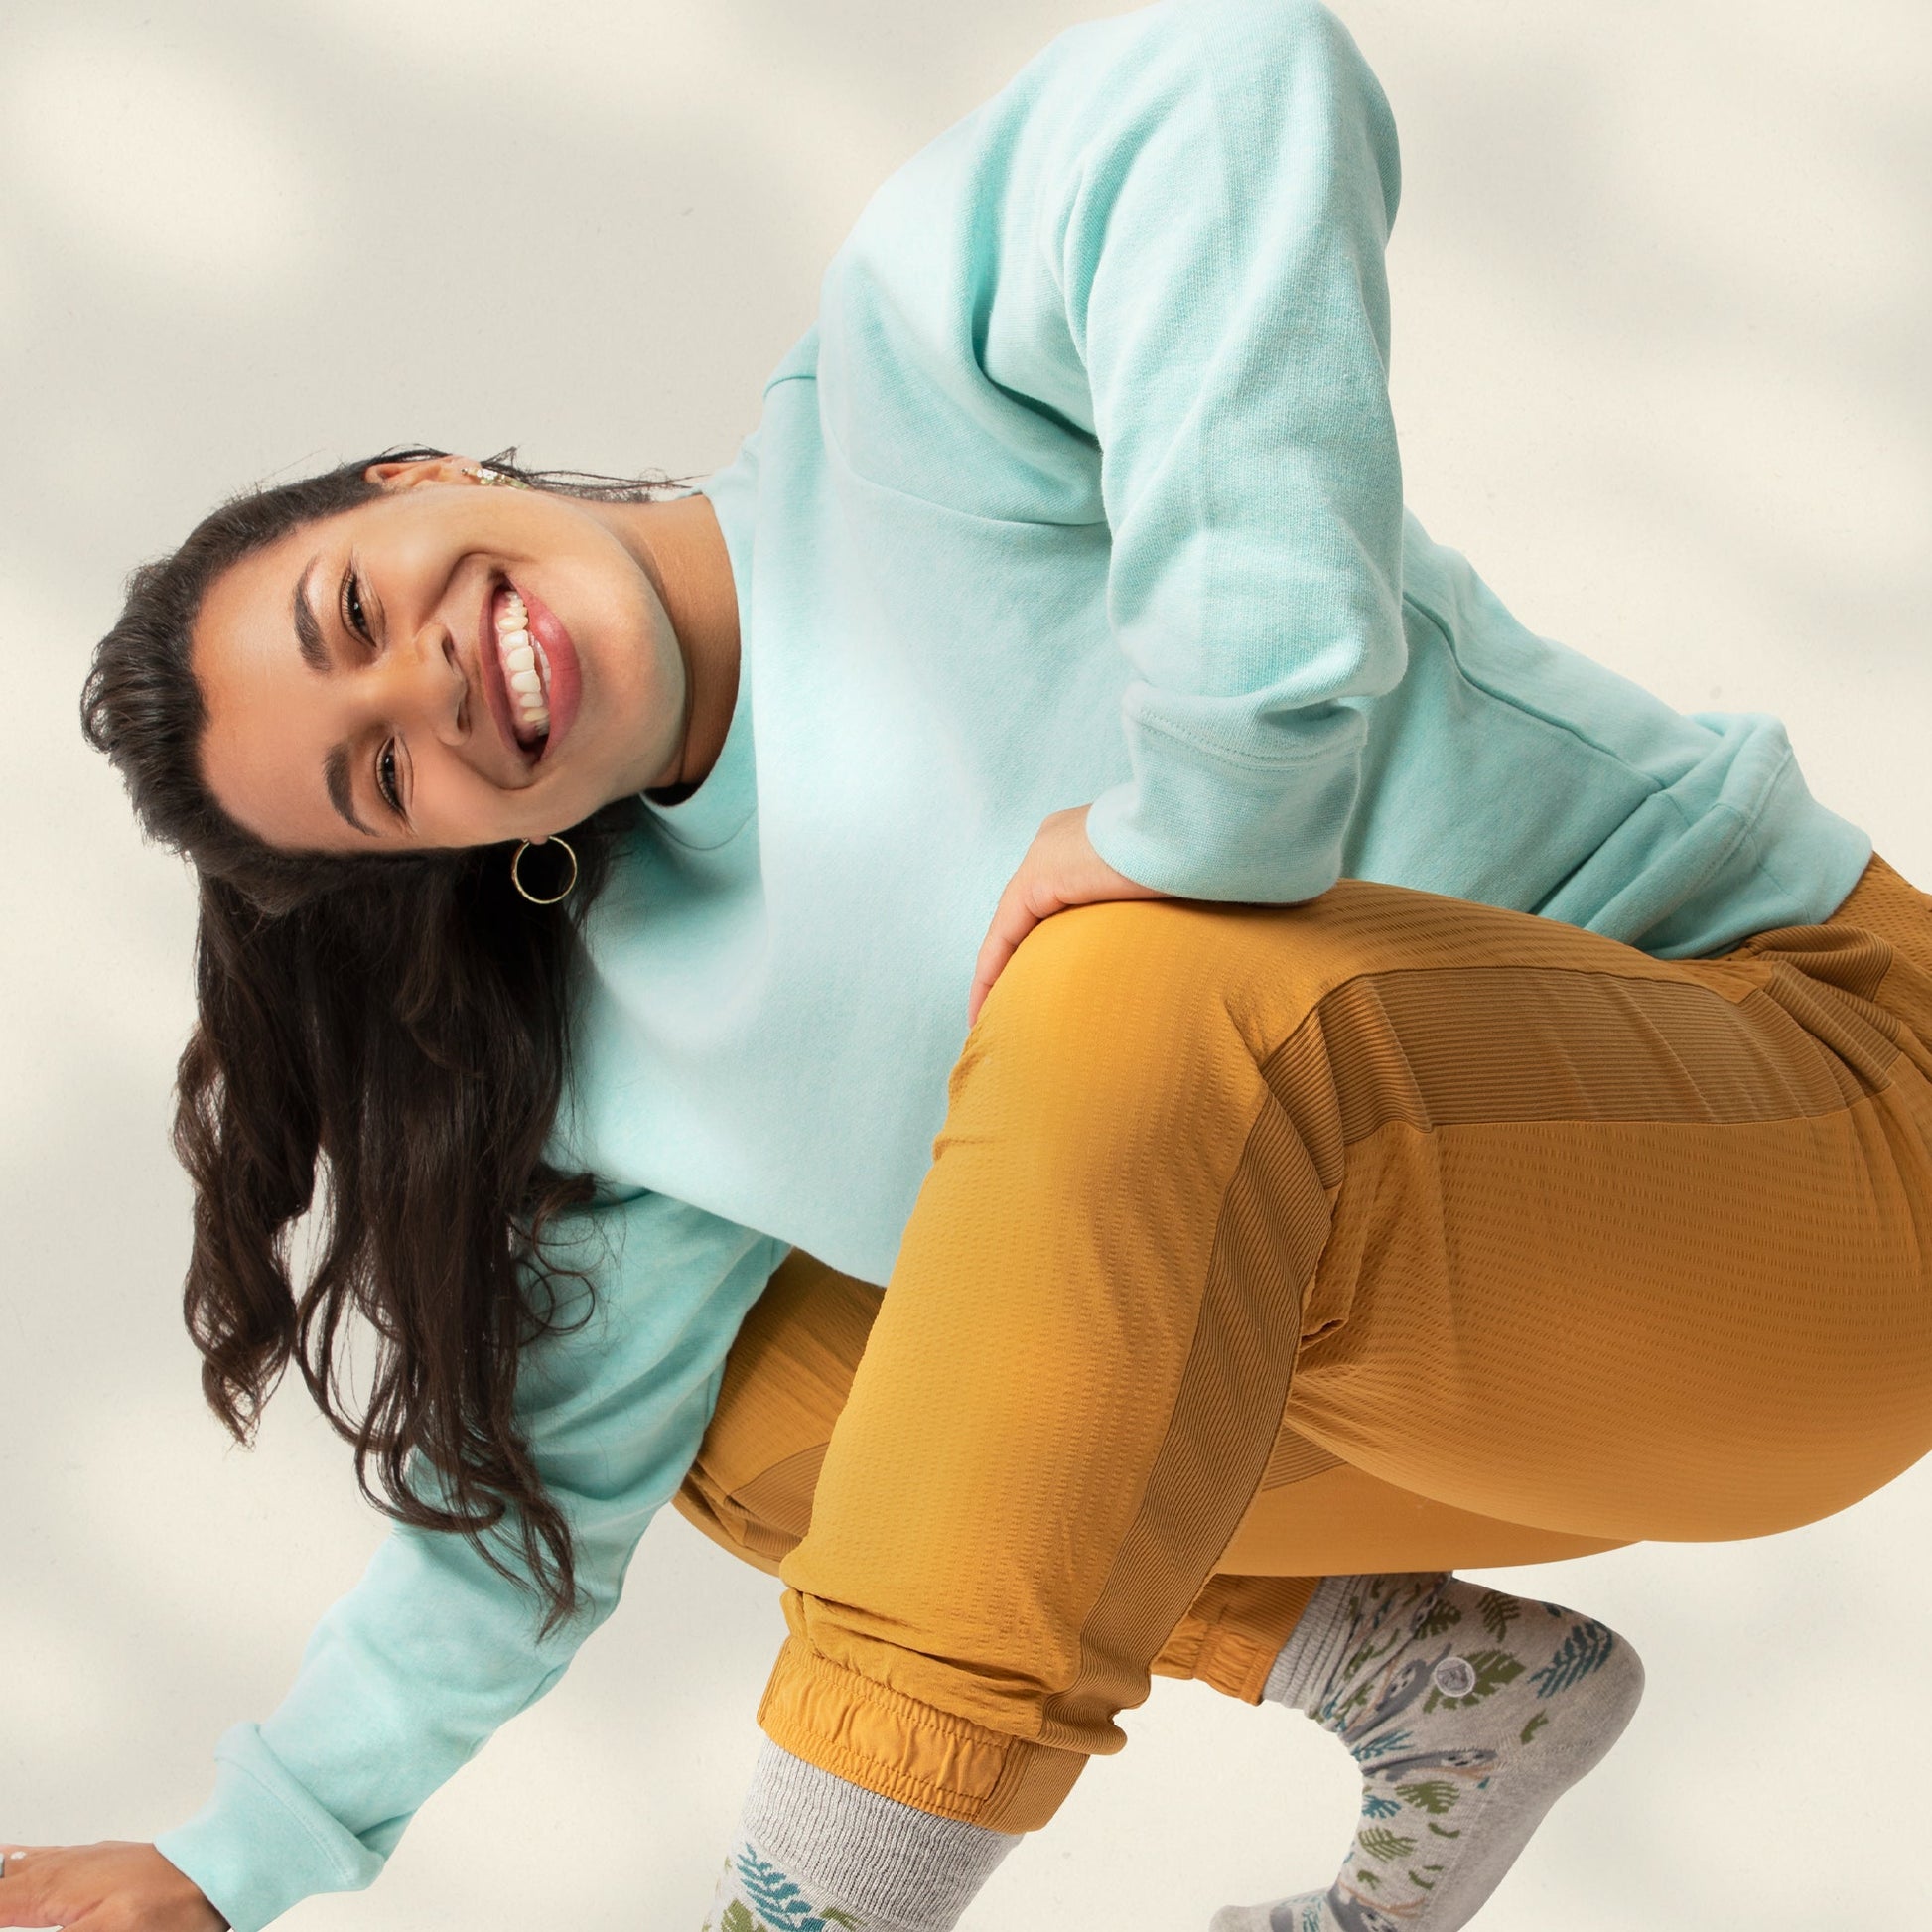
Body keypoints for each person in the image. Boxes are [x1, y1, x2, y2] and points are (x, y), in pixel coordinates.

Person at [5, 0, 1928, 1926]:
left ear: (418, 473)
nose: (422, 685)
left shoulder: (910, 405)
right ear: (439, 847)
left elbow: (1233, 65)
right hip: (1513, 1379)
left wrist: (1214, 792)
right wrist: (232, 1859)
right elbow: (522, 1524)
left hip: (1829, 1146)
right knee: (752, 1416)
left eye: (353, 608)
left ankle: (813, 1905)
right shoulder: (641, 1046)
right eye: (378, 779)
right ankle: (1432, 1678)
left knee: (1128, 981)